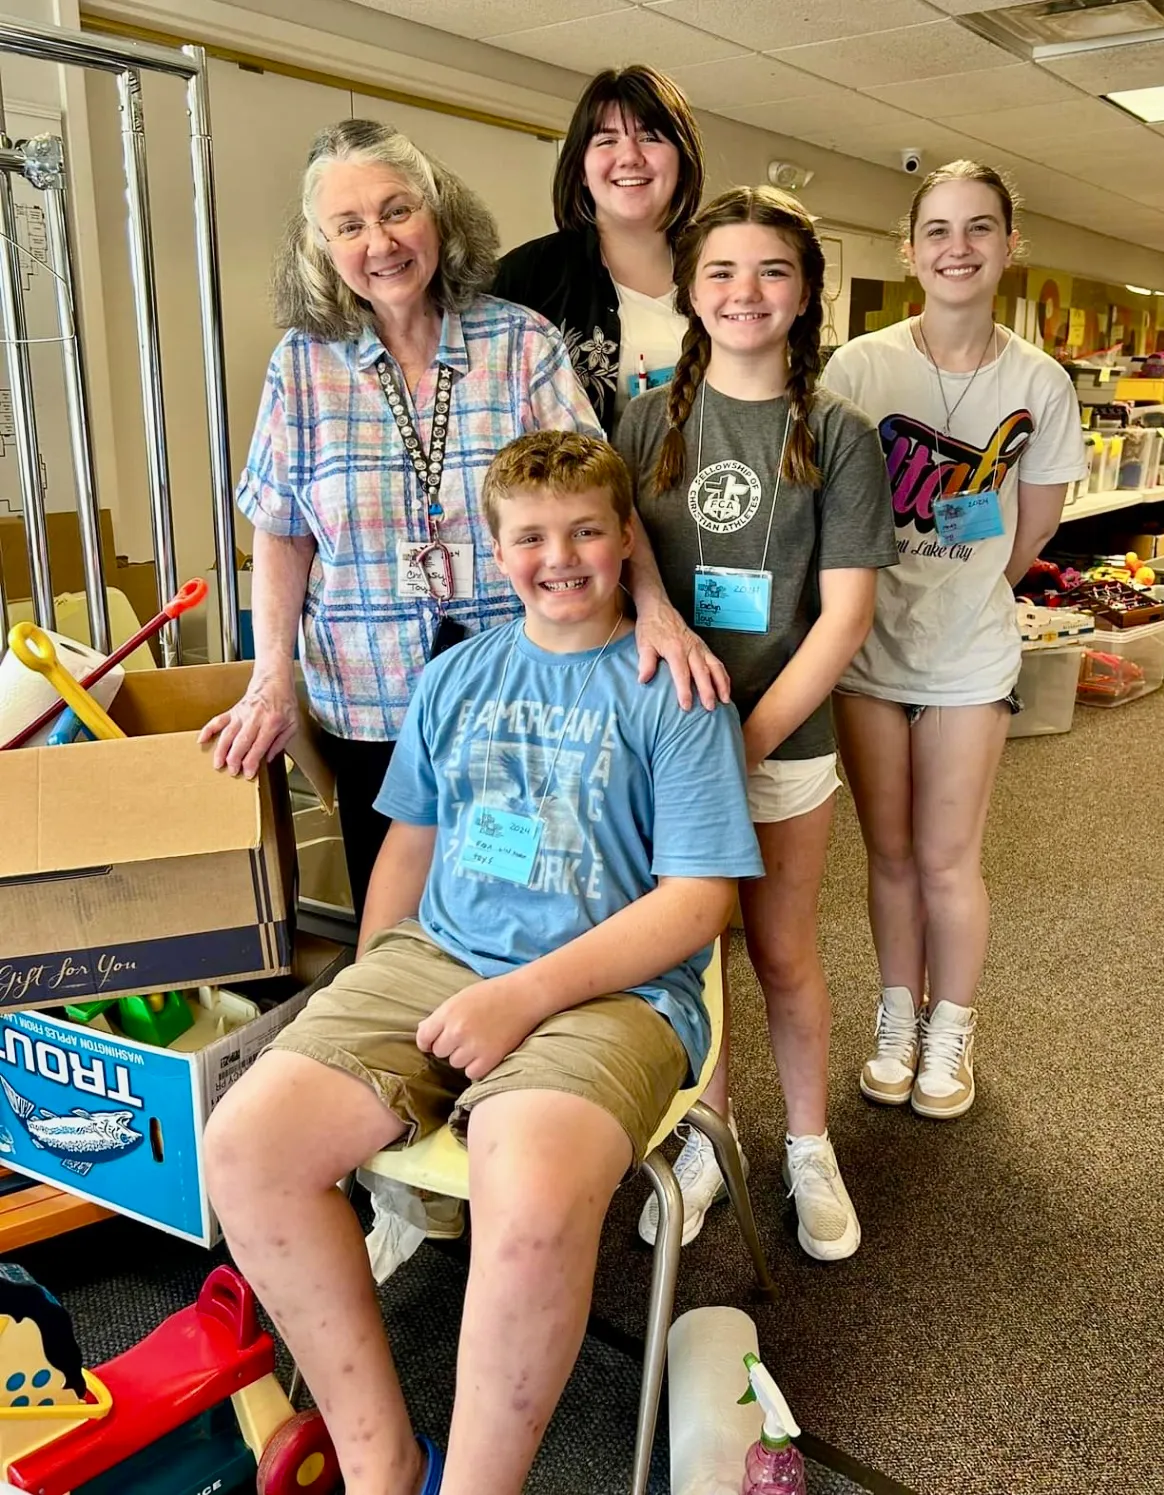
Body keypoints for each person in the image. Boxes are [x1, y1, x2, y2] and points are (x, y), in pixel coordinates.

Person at [202, 430, 764, 1495]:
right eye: (533, 536)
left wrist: (521, 998)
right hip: (441, 955)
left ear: (625, 539)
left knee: (531, 1188)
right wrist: (366, 995)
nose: (562, 556)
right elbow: (411, 844)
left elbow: (702, 903)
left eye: (588, 530)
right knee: (245, 1146)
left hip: (613, 989)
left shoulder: (675, 688)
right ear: (494, 549)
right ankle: (381, 1466)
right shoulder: (456, 677)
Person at [197, 118, 603, 920]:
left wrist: (646, 618)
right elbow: (283, 530)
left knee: (517, 908)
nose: (378, 242)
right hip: (372, 700)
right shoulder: (302, 366)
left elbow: (597, 502)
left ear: (438, 214)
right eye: (348, 225)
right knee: (395, 921)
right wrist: (271, 675)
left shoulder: (520, 342)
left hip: (519, 691)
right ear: (321, 246)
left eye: (396, 210)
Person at [617, 187, 898, 1261]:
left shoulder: (838, 433)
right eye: (722, 272)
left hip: (784, 741)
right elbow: (624, 566)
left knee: (781, 953)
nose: (746, 292)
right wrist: (689, 744)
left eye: (772, 271)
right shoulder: (648, 419)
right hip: (666, 744)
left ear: (807, 292)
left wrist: (744, 742)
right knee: (692, 960)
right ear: (690, 290)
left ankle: (810, 1144)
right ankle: (707, 1130)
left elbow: (844, 618)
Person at [820, 160, 1086, 1120]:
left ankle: (950, 1028)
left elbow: (1038, 525)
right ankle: (897, 1014)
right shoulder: (860, 368)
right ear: (910, 249)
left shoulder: (1039, 381)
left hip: (971, 655)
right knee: (886, 854)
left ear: (1011, 246)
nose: (958, 247)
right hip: (868, 651)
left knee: (946, 856)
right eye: (938, 230)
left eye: (980, 228)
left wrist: (972, 592)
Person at [493, 64, 703, 437]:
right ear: (581, 170)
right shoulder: (526, 278)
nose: (630, 156)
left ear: (683, 162)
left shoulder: (720, 269)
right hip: (579, 493)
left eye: (650, 136)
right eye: (607, 140)